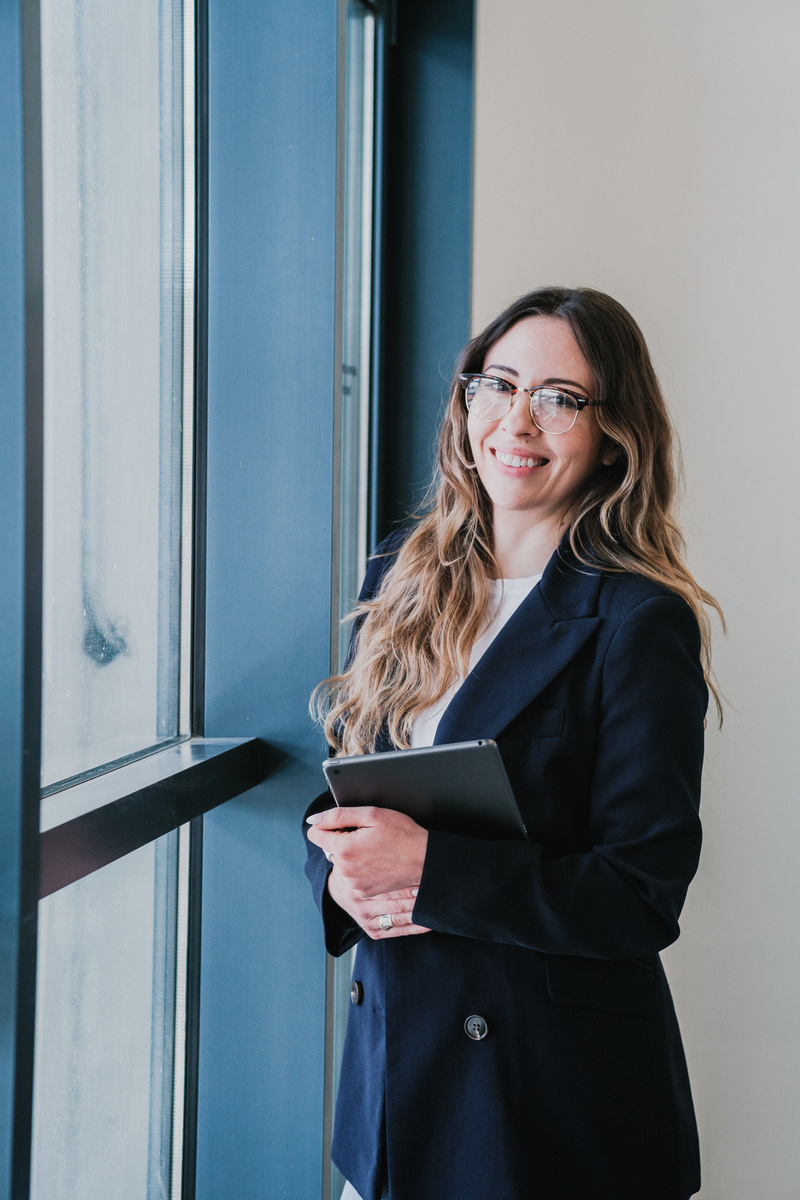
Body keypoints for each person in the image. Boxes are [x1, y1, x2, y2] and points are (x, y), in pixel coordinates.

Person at [304, 286, 722, 1200]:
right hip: (392, 1083)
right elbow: (349, 782)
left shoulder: (638, 620)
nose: (516, 420)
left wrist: (433, 872)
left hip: (545, 1103)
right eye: (497, 384)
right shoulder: (402, 568)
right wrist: (339, 872)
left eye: (560, 397)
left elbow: (640, 894)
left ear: (615, 432)